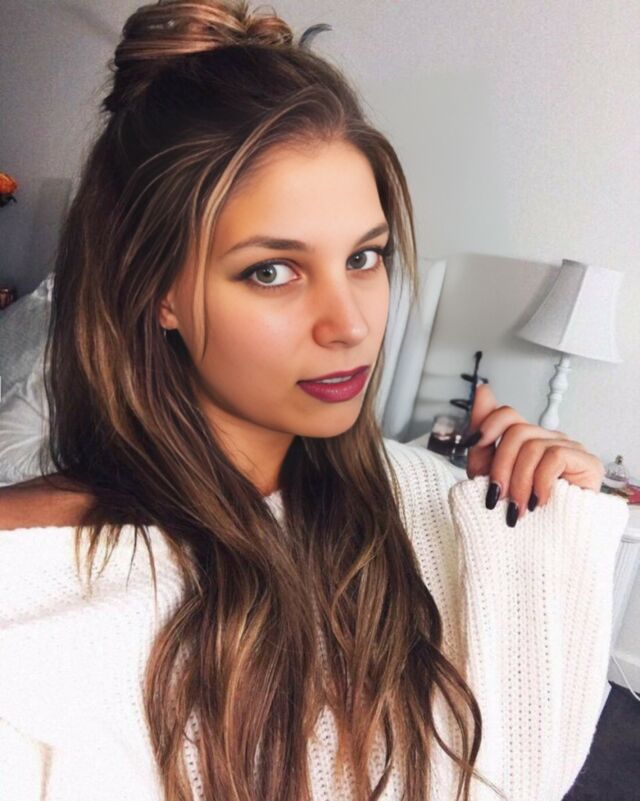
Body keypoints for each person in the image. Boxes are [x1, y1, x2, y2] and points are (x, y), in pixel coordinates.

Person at [0, 2, 629, 800]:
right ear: (157, 291)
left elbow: (521, 770)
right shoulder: (28, 591)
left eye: (365, 257)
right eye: (272, 270)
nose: (351, 325)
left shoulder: (423, 497)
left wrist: (545, 532)